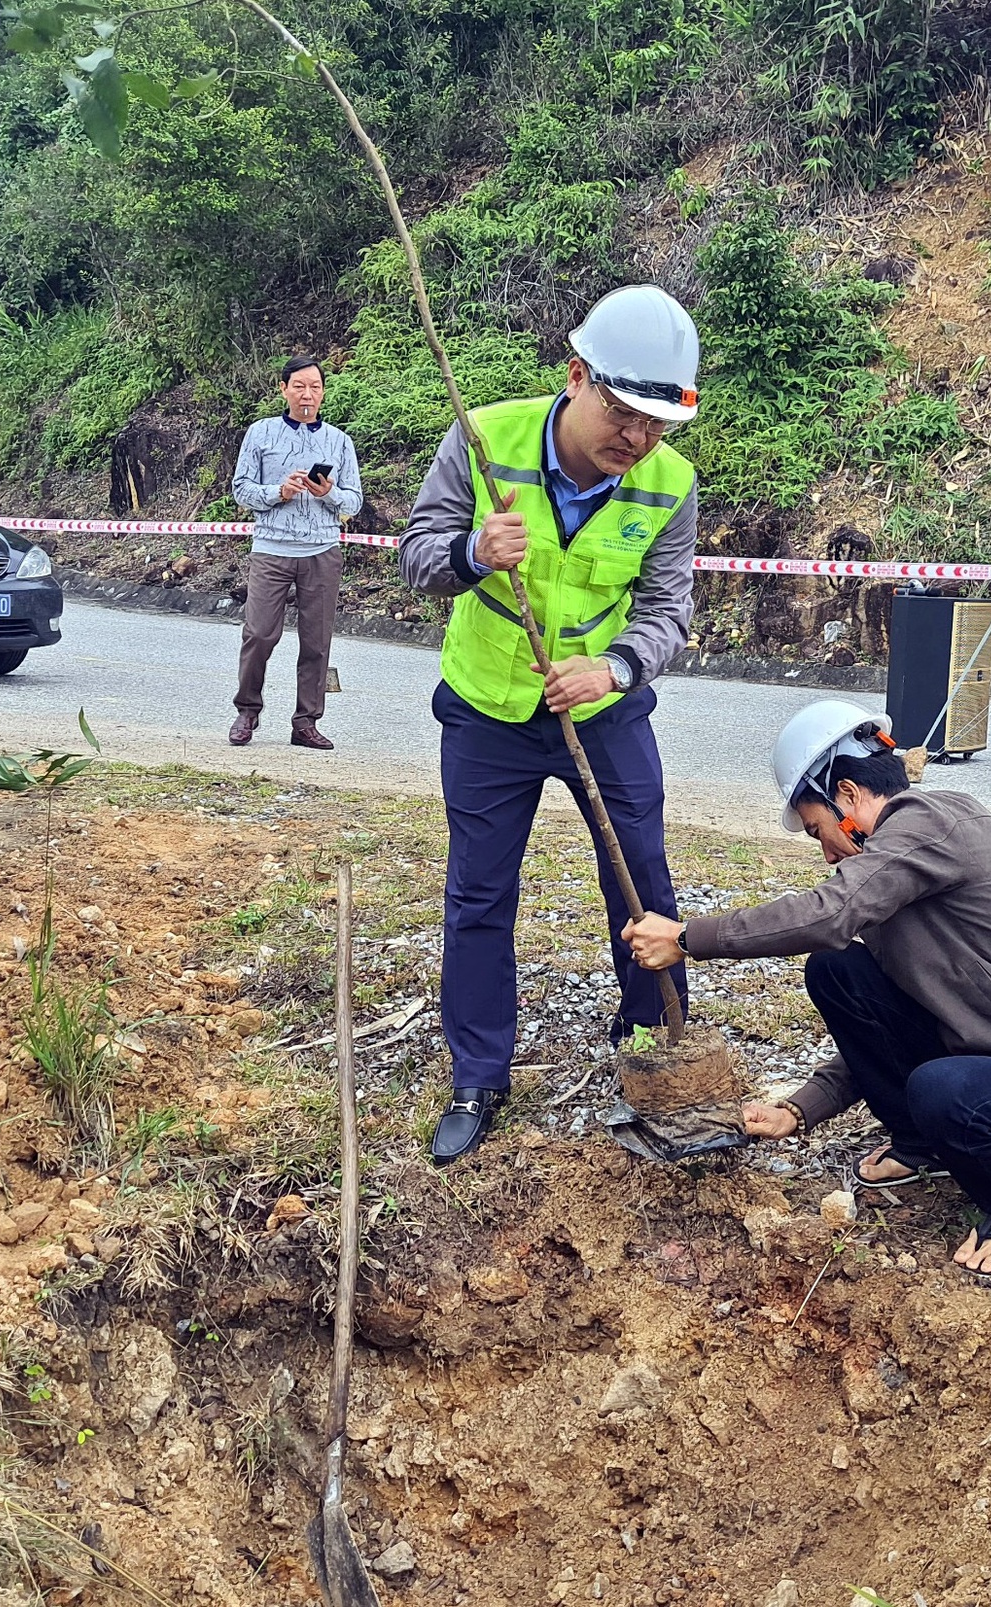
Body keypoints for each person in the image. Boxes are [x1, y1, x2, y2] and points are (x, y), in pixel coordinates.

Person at [622, 700, 991, 1281]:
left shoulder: (933, 822)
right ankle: (926, 1146)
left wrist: (690, 937)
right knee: (838, 969)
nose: (824, 851)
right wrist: (801, 1109)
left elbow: (831, 911)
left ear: (847, 794)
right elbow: (890, 1019)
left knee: (943, 1085)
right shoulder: (902, 872)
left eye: (818, 828)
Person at [400, 284, 703, 1165]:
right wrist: (471, 553)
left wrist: (613, 668)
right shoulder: (484, 438)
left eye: (656, 424)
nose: (636, 440)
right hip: (489, 710)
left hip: (603, 711)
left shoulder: (669, 483)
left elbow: (666, 609)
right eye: (623, 413)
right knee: (480, 892)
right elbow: (419, 555)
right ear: (576, 378)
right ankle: (479, 1074)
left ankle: (651, 1043)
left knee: (639, 873)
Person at [227, 357, 363, 751]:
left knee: (317, 642)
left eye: (315, 387)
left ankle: (306, 722)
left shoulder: (339, 441)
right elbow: (241, 489)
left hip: (322, 551)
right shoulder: (261, 432)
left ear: (323, 392)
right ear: (283, 388)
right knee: (259, 634)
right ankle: (247, 710)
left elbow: (353, 500)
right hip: (271, 549)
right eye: (299, 386)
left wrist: (329, 494)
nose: (308, 394)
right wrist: (279, 492)